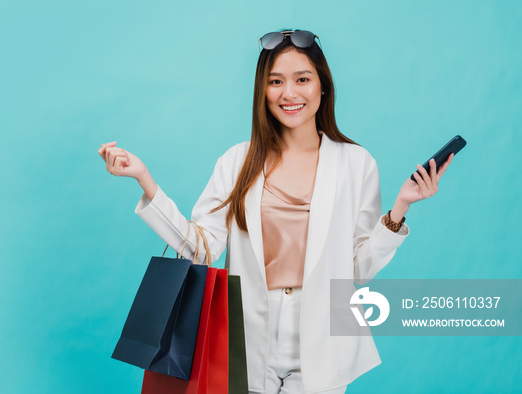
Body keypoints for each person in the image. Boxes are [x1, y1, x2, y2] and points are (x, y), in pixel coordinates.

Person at [98, 29, 453, 394]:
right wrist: (146, 181)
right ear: (262, 92)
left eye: (302, 79)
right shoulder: (238, 160)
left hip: (323, 332)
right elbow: (203, 249)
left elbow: (358, 269)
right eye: (276, 81)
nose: (289, 93)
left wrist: (401, 208)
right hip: (247, 334)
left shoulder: (355, 163)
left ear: (323, 86)